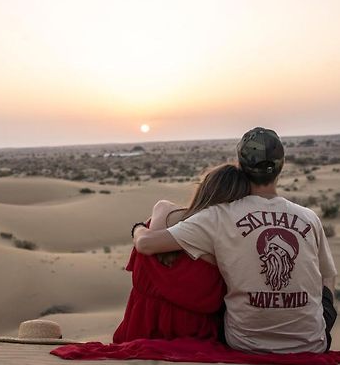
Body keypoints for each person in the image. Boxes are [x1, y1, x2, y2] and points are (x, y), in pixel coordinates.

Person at [133, 127, 337, 353]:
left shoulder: (218, 216)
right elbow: (328, 275)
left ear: (240, 166)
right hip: (311, 343)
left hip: (244, 343)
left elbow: (146, 245)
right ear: (281, 166)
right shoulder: (309, 218)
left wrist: (139, 228)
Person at [113, 164, 250, 343]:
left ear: (205, 189)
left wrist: (138, 228)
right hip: (194, 334)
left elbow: (146, 241)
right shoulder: (226, 236)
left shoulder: (163, 214)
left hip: (141, 325)